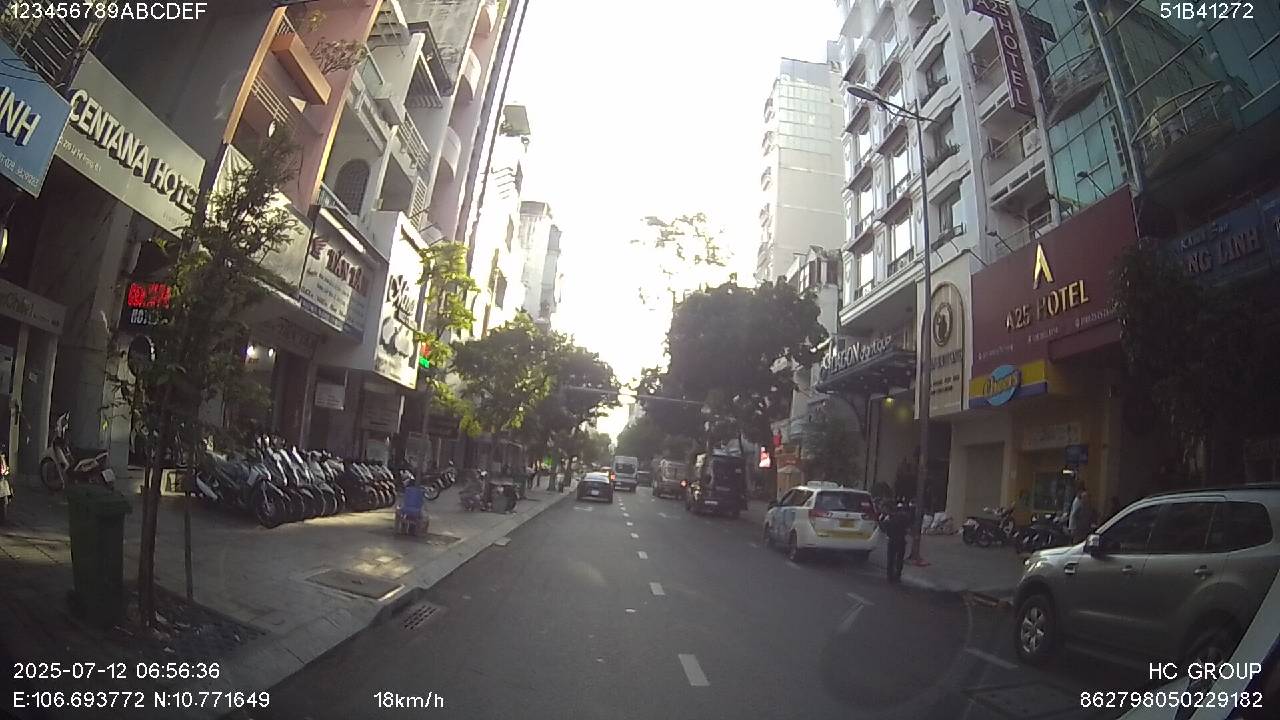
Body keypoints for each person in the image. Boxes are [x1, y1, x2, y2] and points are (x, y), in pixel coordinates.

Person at [880, 497, 911, 583]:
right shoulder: (902, 516)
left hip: (893, 540)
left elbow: (883, 529)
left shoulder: (889, 518)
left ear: (887, 508)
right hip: (901, 540)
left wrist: (881, 520)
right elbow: (908, 527)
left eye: (884, 508)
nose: (883, 510)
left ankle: (891, 576)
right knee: (899, 559)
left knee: (891, 559)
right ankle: (897, 575)